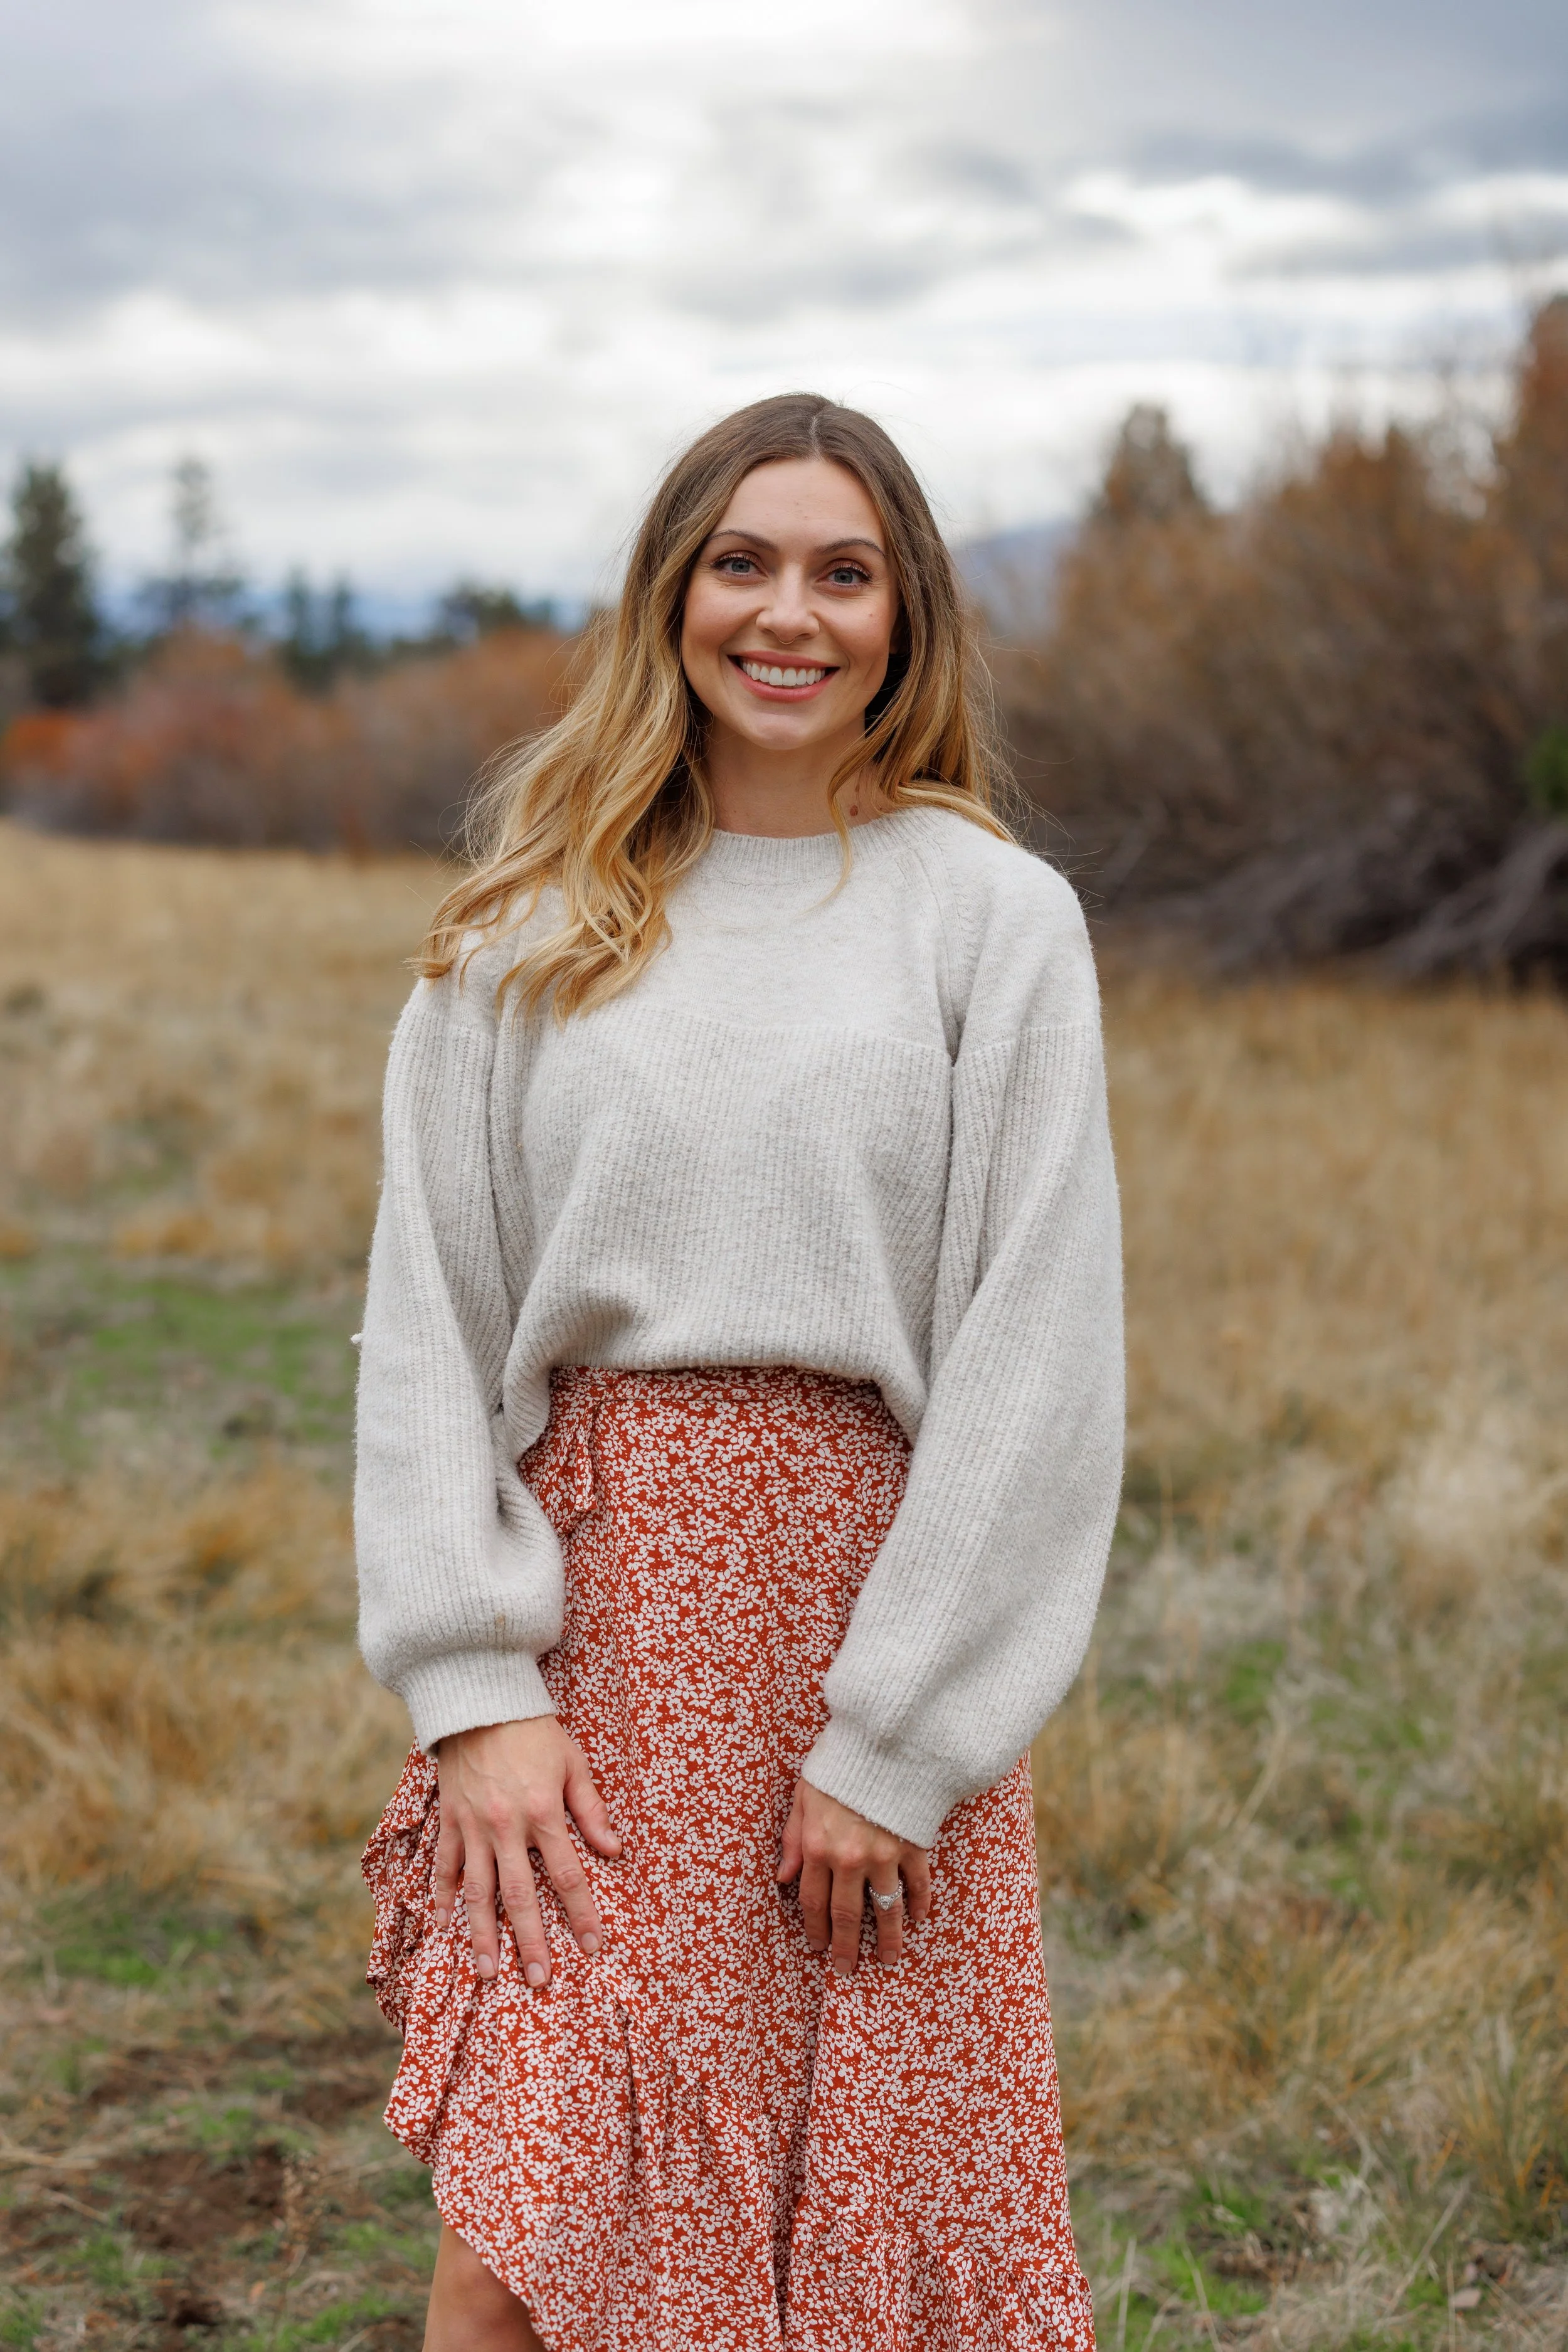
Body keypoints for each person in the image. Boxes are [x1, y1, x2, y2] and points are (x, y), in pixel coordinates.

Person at [354, 392, 1124, 2352]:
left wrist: (899, 1737)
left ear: (906, 615)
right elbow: (429, 1327)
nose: (791, 613)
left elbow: (1036, 1348)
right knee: (524, 2221)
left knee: (862, 2231)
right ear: (672, 596)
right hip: (593, 1652)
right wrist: (470, 1690)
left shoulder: (991, 923)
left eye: (843, 571)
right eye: (744, 563)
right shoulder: (523, 934)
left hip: (870, 1619)